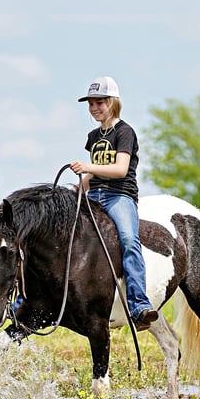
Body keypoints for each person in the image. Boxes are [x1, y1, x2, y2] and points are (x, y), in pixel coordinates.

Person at [70, 76, 158, 332]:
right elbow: (94, 174)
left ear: (112, 102)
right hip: (94, 195)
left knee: (129, 240)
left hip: (119, 196)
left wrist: (87, 166)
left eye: (100, 102)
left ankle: (139, 305)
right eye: (91, 104)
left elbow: (119, 169)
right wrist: (78, 188)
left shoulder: (125, 132)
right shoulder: (93, 136)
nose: (95, 108)